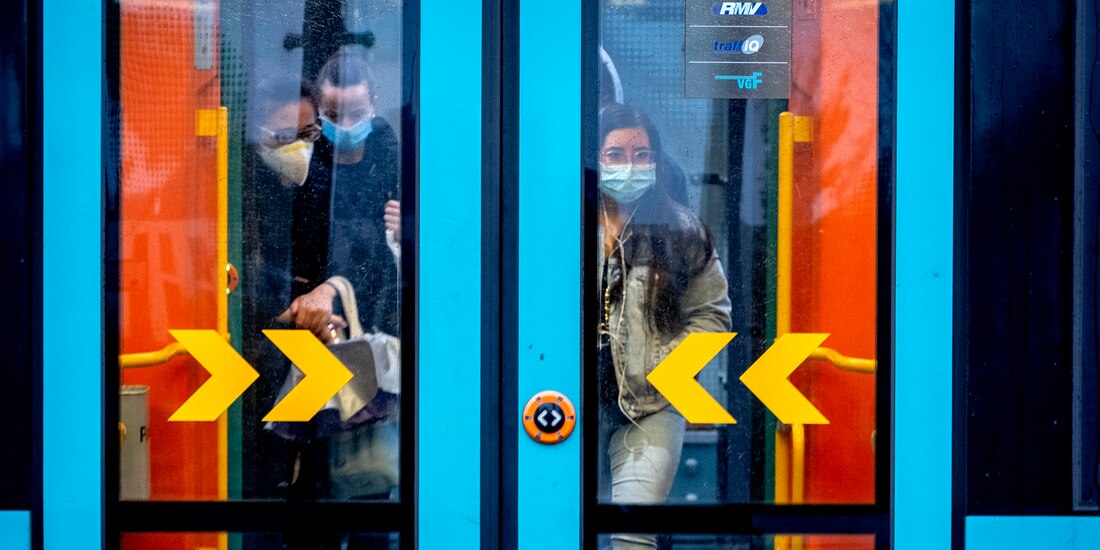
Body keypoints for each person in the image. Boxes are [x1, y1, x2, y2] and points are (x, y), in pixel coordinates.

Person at [596, 104, 732, 550]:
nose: (629, 166)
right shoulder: (560, 227)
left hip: (651, 407)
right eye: (615, 154)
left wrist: (666, 367)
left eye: (641, 154)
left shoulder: (681, 229)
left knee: (632, 539)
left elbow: (713, 314)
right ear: (593, 157)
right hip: (568, 405)